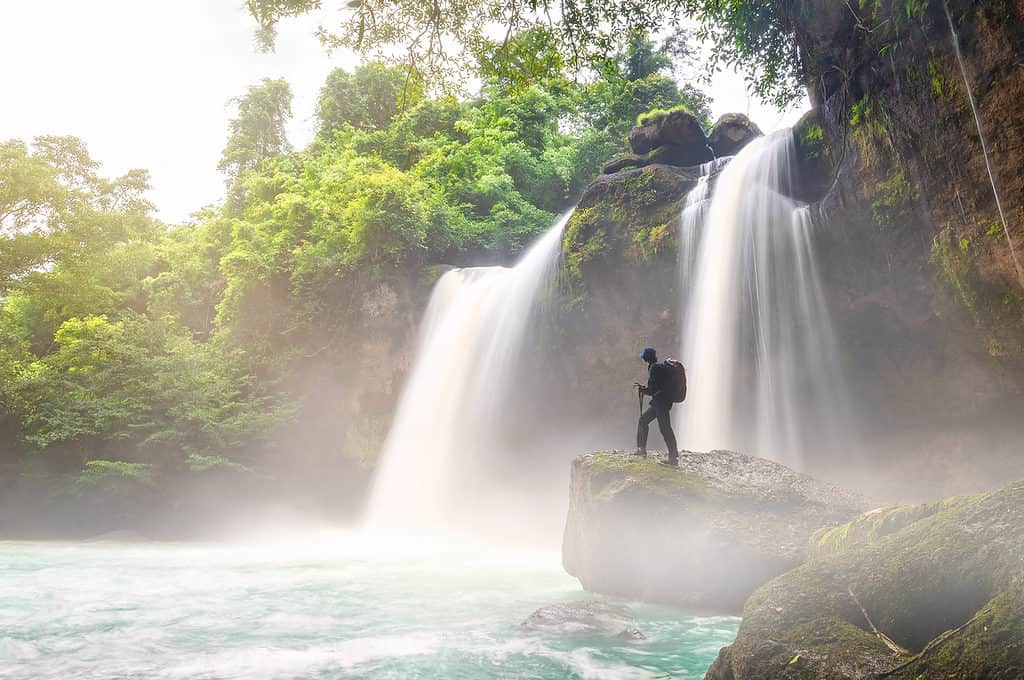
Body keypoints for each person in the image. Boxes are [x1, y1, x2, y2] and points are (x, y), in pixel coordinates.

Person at [633, 347, 680, 466]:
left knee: (665, 429)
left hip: (661, 403)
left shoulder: (654, 368)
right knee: (644, 420)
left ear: (646, 358)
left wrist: (643, 389)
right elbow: (656, 387)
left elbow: (653, 389)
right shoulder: (657, 367)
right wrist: (645, 389)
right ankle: (641, 450)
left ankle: (673, 458)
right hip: (660, 402)